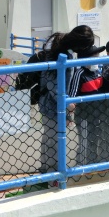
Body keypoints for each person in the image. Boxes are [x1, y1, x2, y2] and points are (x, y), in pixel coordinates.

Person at [38, 25, 95, 173]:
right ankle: (52, 175)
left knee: (50, 139)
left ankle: (47, 172)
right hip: (52, 105)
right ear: (80, 43)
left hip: (52, 103)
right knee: (54, 142)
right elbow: (53, 84)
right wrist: (66, 103)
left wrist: (67, 109)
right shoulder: (62, 53)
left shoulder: (61, 47)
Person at [68, 45, 106, 165]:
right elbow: (72, 96)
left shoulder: (98, 72)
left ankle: (93, 165)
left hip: (99, 115)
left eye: (97, 56)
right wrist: (70, 115)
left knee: (96, 140)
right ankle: (81, 167)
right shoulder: (80, 74)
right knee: (84, 142)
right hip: (84, 116)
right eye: (93, 56)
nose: (96, 58)